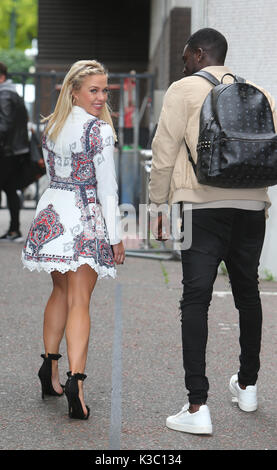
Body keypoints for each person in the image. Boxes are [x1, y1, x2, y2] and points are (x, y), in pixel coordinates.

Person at [149, 28, 277, 434]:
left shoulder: (183, 90)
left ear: (199, 54)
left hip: (200, 206)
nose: (183, 62)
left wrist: (156, 204)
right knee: (248, 292)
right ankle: (249, 385)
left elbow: (164, 149)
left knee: (195, 299)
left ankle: (197, 405)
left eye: (186, 55)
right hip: (252, 206)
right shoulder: (258, 90)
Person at [22, 60, 125, 420]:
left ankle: (48, 370)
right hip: (83, 217)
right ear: (75, 91)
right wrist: (116, 236)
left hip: (52, 213)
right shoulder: (99, 131)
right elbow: (108, 189)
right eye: (93, 90)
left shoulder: (51, 125)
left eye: (104, 91)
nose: (100, 97)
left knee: (61, 293)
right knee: (80, 300)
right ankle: (75, 384)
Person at [0, 62, 29, 242]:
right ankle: (14, 230)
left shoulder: (4, 95)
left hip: (6, 151)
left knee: (10, 189)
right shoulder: (13, 93)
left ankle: (14, 230)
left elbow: (4, 126)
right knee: (10, 189)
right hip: (14, 151)